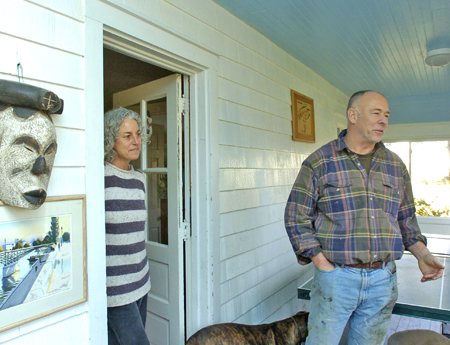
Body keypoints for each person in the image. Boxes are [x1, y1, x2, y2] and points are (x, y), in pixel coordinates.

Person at [285, 90, 444, 345]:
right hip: (337, 278)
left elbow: (406, 221)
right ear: (353, 116)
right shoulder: (320, 162)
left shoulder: (395, 166)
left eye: (387, 115)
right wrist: (323, 264)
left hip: (383, 280)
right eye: (376, 113)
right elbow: (296, 218)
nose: (384, 121)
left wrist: (423, 254)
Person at [104, 108, 151, 345]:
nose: (136, 141)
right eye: (127, 135)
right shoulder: (99, 177)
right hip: (114, 289)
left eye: (138, 134)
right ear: (110, 138)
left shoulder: (140, 178)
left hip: (141, 281)